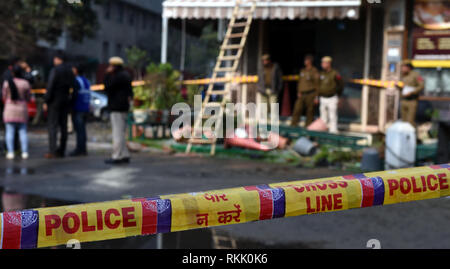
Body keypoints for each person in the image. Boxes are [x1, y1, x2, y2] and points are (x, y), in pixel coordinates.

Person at [44, 52, 76, 159]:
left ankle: (52, 150)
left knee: (52, 126)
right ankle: (62, 150)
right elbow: (75, 87)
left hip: (54, 101)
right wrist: (71, 100)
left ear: (58, 59)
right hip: (65, 101)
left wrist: (46, 100)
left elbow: (50, 85)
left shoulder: (55, 70)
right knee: (63, 126)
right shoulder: (70, 71)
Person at [104, 57, 133, 165]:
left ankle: (116, 156)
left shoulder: (117, 77)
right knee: (121, 132)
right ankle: (124, 154)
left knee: (117, 133)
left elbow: (107, 87)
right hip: (124, 107)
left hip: (117, 107)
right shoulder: (126, 75)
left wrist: (107, 75)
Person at [2, 65, 31, 160]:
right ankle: (24, 152)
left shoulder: (7, 83)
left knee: (9, 132)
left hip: (9, 109)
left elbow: (4, 96)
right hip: (22, 109)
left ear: (12, 73)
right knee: (23, 132)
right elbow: (28, 97)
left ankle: (10, 152)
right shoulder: (25, 83)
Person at [291, 54, 320, 128]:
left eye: (306, 60)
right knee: (297, 109)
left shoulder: (314, 71)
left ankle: (308, 128)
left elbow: (317, 84)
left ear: (310, 61)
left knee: (310, 112)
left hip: (311, 93)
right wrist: (298, 91)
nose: (305, 62)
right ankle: (293, 126)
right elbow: (300, 82)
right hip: (302, 94)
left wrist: (316, 96)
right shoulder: (302, 70)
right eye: (305, 60)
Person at [318, 56, 344, 134]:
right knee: (323, 117)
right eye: (322, 62)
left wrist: (338, 95)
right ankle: (323, 131)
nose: (322, 64)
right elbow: (319, 85)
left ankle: (333, 131)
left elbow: (340, 84)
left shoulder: (334, 73)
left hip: (332, 98)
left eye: (324, 63)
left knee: (332, 116)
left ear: (328, 63)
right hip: (323, 98)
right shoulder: (321, 73)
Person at [69, 65, 91, 157]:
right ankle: (83, 149)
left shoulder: (77, 80)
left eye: (73, 69)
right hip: (85, 107)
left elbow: (74, 95)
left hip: (78, 108)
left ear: (76, 70)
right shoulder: (86, 81)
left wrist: (70, 105)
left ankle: (80, 149)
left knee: (79, 130)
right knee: (82, 130)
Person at [397, 60, 425, 127]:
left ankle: (413, 136)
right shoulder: (402, 75)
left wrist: (412, 92)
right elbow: (402, 86)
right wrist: (398, 86)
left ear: (408, 67)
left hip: (412, 101)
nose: (402, 69)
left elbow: (421, 86)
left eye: (404, 67)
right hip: (403, 100)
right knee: (403, 121)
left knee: (410, 122)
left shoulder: (415, 75)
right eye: (402, 67)